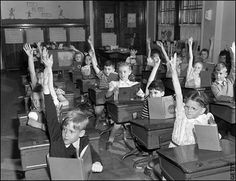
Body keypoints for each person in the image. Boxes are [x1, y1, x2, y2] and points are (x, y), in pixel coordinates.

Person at [41, 50, 103, 173]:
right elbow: (51, 115)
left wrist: (97, 162)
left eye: (71, 131)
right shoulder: (57, 138)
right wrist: (48, 71)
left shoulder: (83, 140)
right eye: (64, 129)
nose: (66, 134)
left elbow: (93, 154)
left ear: (81, 133)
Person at [168, 53, 217, 148]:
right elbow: (178, 94)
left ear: (202, 110)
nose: (189, 110)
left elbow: (211, 138)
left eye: (194, 108)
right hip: (174, 148)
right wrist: (173, 72)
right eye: (187, 107)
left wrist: (212, 124)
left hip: (191, 151)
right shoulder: (181, 114)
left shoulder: (203, 119)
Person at [105, 62, 145, 150]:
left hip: (131, 109)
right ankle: (110, 140)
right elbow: (107, 96)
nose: (122, 74)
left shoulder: (134, 84)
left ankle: (137, 142)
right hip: (119, 110)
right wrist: (112, 91)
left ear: (129, 72)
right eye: (120, 72)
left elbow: (143, 95)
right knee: (117, 125)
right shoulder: (114, 83)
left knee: (135, 124)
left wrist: (139, 95)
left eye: (124, 72)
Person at [88, 36, 119, 129]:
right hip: (101, 98)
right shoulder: (102, 75)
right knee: (97, 111)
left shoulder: (117, 75)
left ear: (113, 69)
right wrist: (91, 45)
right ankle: (98, 120)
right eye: (105, 69)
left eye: (109, 69)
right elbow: (94, 65)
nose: (107, 71)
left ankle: (110, 120)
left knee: (113, 112)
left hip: (112, 99)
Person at [141, 54, 165, 119]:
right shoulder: (148, 99)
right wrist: (155, 66)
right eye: (151, 93)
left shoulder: (165, 102)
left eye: (155, 93)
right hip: (145, 124)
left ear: (162, 93)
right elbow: (149, 82)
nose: (152, 95)